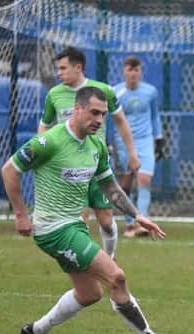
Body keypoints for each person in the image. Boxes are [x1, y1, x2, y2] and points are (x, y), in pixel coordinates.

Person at [1, 86, 190, 334]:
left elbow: (109, 185)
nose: (100, 120)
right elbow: (9, 170)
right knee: (117, 277)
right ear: (77, 109)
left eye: (103, 114)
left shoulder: (96, 146)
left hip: (75, 226)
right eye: (94, 113)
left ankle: (35, 331)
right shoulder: (49, 142)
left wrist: (136, 214)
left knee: (89, 293)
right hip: (53, 230)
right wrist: (20, 214)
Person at [38, 46, 141, 258]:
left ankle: (109, 258)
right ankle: (85, 264)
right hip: (68, 169)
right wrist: (42, 153)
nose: (59, 73)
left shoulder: (103, 91)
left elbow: (121, 121)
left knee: (105, 220)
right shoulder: (54, 94)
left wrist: (132, 153)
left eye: (63, 68)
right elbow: (44, 126)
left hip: (95, 165)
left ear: (78, 68)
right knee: (80, 220)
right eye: (58, 68)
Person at [112, 56, 164, 238]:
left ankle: (142, 221)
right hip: (123, 142)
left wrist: (159, 138)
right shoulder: (115, 92)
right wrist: (109, 142)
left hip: (144, 140)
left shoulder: (150, 92)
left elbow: (154, 115)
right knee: (125, 184)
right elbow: (110, 119)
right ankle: (128, 223)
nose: (133, 73)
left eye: (136, 70)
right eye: (129, 69)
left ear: (141, 72)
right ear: (123, 71)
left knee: (144, 180)